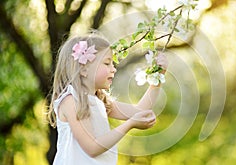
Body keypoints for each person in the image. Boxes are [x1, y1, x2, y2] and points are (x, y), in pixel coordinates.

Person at [47, 33, 168, 165]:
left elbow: (139, 111)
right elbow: (91, 148)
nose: (113, 69)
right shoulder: (71, 101)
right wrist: (129, 125)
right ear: (83, 70)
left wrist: (157, 78)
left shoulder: (100, 101)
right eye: (107, 63)